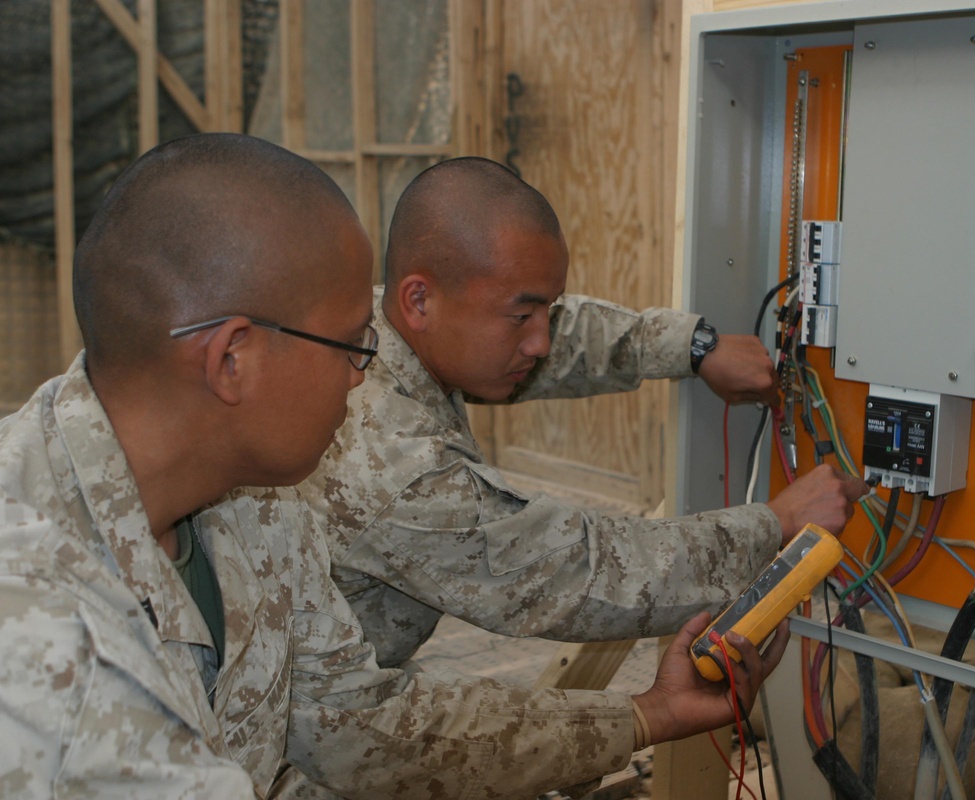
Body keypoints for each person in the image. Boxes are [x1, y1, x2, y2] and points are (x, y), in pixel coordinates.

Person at [0, 133, 788, 799]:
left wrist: (646, 717)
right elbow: (562, 569)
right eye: (351, 344)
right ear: (233, 358)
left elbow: (355, 724)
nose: (363, 373)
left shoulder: (259, 501)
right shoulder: (32, 610)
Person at [299, 156, 869, 668]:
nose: (541, 341)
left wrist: (692, 347)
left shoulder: (381, 321)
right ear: (419, 300)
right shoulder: (391, 462)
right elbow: (579, 571)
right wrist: (773, 525)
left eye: (546, 308)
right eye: (522, 317)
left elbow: (560, 335)